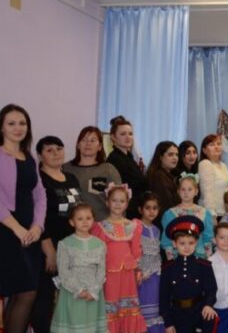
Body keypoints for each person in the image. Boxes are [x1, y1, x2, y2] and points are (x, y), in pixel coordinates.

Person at [0, 105, 47, 332]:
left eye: (22, 123)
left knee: (21, 292)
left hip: (30, 232)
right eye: (11, 123)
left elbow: (40, 195)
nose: (18, 128)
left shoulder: (29, 156)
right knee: (26, 292)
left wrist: (37, 226)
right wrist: (17, 228)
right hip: (4, 231)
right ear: (1, 127)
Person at [34, 135, 83, 333]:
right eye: (49, 150)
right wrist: (49, 250)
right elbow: (38, 217)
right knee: (45, 297)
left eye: (59, 148)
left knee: (70, 296)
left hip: (72, 246)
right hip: (49, 247)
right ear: (40, 156)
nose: (55, 153)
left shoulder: (71, 178)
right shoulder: (38, 180)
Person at [91, 184, 147, 332]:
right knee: (111, 305)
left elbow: (136, 250)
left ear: (127, 204)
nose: (118, 204)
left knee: (128, 305)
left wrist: (138, 270)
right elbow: (97, 253)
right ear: (107, 202)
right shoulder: (100, 227)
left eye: (122, 201)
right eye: (114, 200)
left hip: (128, 273)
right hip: (109, 274)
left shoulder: (133, 225)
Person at [50, 204, 107, 333]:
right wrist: (78, 290)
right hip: (72, 293)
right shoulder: (65, 244)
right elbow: (63, 271)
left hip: (93, 293)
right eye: (80, 219)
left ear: (93, 220)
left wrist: (94, 290)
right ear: (72, 222)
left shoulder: (100, 244)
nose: (85, 221)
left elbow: (101, 270)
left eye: (88, 218)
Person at [159, 215, 218, 332]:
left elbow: (211, 289)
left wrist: (208, 305)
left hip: (199, 310)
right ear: (174, 244)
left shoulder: (204, 265)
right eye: (182, 243)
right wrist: (168, 323)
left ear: (196, 243)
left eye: (191, 243)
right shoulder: (168, 268)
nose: (187, 247)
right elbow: (164, 298)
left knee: (210, 318)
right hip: (178, 314)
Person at [63, 126, 122, 221]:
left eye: (92, 140)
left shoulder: (108, 170)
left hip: (102, 224)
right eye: (84, 140)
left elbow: (120, 201)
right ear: (78, 145)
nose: (88, 143)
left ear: (100, 146)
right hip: (73, 225)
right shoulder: (65, 169)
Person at [160, 173, 214, 259]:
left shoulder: (204, 213)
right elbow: (167, 240)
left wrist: (209, 260)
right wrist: (171, 261)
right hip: (178, 258)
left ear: (196, 191)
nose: (186, 192)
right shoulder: (170, 214)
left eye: (190, 189)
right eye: (183, 189)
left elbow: (207, 238)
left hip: (199, 257)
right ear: (178, 191)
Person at [105, 116, 147, 219]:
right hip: (125, 211)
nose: (128, 137)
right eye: (123, 134)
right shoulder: (114, 159)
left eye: (130, 134)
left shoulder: (129, 157)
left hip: (135, 209)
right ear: (113, 137)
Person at [137, 193, 164, 333]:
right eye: (147, 208)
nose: (151, 211)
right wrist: (139, 271)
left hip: (155, 276)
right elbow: (133, 253)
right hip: (141, 277)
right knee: (142, 309)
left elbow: (157, 254)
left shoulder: (157, 230)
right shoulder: (135, 227)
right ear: (140, 209)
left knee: (155, 309)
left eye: (155, 208)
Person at [198, 134, 228, 216]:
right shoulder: (205, 164)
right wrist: (212, 214)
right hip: (213, 214)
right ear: (204, 150)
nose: (216, 147)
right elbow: (207, 193)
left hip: (224, 212)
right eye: (212, 145)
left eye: (218, 144)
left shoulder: (223, 165)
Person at [145, 141, 180, 218]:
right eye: (170, 154)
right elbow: (166, 205)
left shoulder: (167, 175)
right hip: (166, 219)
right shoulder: (159, 176)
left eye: (177, 155)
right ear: (160, 157)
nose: (175, 158)